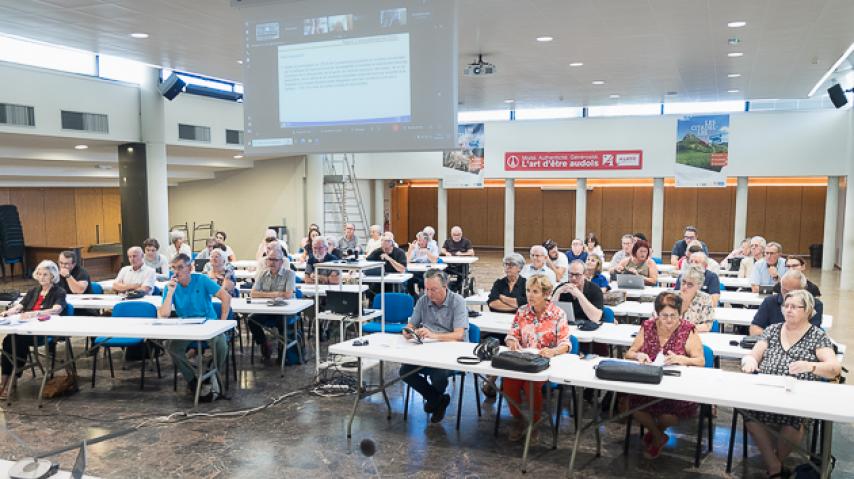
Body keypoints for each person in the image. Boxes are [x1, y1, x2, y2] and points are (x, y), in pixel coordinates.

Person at [741, 290, 841, 478]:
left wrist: (811, 366)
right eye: (786, 306)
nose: (788, 310)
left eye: (795, 306)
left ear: (808, 310)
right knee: (748, 413)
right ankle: (775, 466)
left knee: (793, 421)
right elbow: (753, 354)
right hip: (767, 391)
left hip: (797, 396)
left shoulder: (816, 336)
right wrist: (751, 361)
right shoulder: (772, 330)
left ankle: (774, 465)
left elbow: (834, 368)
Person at [624, 291, 706, 459]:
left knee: (669, 415)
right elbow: (629, 353)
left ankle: (656, 434)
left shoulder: (687, 330)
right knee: (629, 405)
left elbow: (700, 361)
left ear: (680, 314)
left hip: (677, 389)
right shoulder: (648, 327)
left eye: (673, 315)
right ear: (657, 314)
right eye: (664, 315)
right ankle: (658, 435)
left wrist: (680, 359)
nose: (669, 320)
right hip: (649, 384)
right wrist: (639, 355)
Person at [503, 274, 570, 441]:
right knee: (508, 381)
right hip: (523, 360)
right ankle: (518, 419)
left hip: (546, 362)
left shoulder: (558, 314)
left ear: (546, 294)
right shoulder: (522, 311)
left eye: (535, 291)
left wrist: (553, 351)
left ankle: (535, 422)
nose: (530, 295)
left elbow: (566, 343)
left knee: (531, 384)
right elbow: (512, 334)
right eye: (528, 291)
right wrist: (512, 341)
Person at [158, 254, 231, 402]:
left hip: (208, 323)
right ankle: (193, 380)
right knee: (171, 346)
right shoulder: (171, 286)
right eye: (174, 268)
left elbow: (225, 297)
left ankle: (212, 372)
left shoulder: (202, 280)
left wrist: (222, 323)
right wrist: (170, 292)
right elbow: (164, 314)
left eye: (180, 267)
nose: (176, 272)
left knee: (221, 344)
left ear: (190, 268)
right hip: (186, 326)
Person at [400, 269, 468, 423]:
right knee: (404, 371)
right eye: (426, 289)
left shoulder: (457, 301)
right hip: (426, 349)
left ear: (445, 287)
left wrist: (434, 335)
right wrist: (408, 331)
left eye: (434, 289)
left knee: (438, 374)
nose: (429, 294)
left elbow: (459, 335)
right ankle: (437, 400)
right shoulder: (423, 300)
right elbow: (412, 323)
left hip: (451, 350)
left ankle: (434, 401)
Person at [0, 260, 68, 398]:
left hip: (43, 331)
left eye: (45, 274)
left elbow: (57, 309)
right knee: (9, 341)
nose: (41, 277)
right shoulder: (33, 291)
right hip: (26, 328)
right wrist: (9, 312)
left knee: (17, 342)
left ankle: (10, 382)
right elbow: (21, 306)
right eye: (39, 274)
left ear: (52, 276)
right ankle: (5, 381)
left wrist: (35, 313)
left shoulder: (59, 291)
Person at [248, 248, 296, 362]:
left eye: (275, 260)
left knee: (281, 322)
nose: (272, 262)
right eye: (270, 259)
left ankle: (282, 349)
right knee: (251, 320)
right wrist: (277, 294)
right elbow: (253, 293)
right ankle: (264, 343)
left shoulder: (289, 274)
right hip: (266, 309)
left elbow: (288, 294)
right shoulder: (262, 274)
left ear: (281, 262)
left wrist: (264, 294)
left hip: (284, 310)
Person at [750, 270, 824, 336]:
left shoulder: (814, 305)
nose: (787, 295)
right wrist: (776, 339)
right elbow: (754, 329)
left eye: (792, 292)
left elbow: (812, 333)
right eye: (784, 290)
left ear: (803, 289)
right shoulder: (769, 302)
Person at [677, 265, 714, 332]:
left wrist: (685, 330)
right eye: (683, 282)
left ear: (698, 286)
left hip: (694, 336)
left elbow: (707, 326)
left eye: (690, 284)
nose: (685, 286)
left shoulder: (705, 299)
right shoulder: (671, 297)